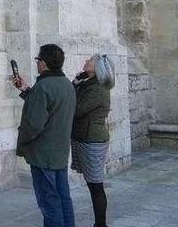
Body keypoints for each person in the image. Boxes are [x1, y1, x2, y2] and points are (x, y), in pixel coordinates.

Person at [13, 44, 77, 227]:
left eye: (38, 60)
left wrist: (22, 141)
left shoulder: (43, 87)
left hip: (43, 154)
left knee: (49, 203)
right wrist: (26, 90)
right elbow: (51, 107)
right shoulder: (66, 84)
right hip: (59, 152)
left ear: (42, 63)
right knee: (64, 198)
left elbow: (34, 123)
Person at [71, 54, 115, 227]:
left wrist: (75, 85)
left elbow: (76, 109)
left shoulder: (97, 89)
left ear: (97, 68)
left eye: (89, 61)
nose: (85, 62)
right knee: (93, 184)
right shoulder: (89, 84)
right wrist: (76, 82)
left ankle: (101, 225)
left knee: (95, 185)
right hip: (86, 138)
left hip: (92, 141)